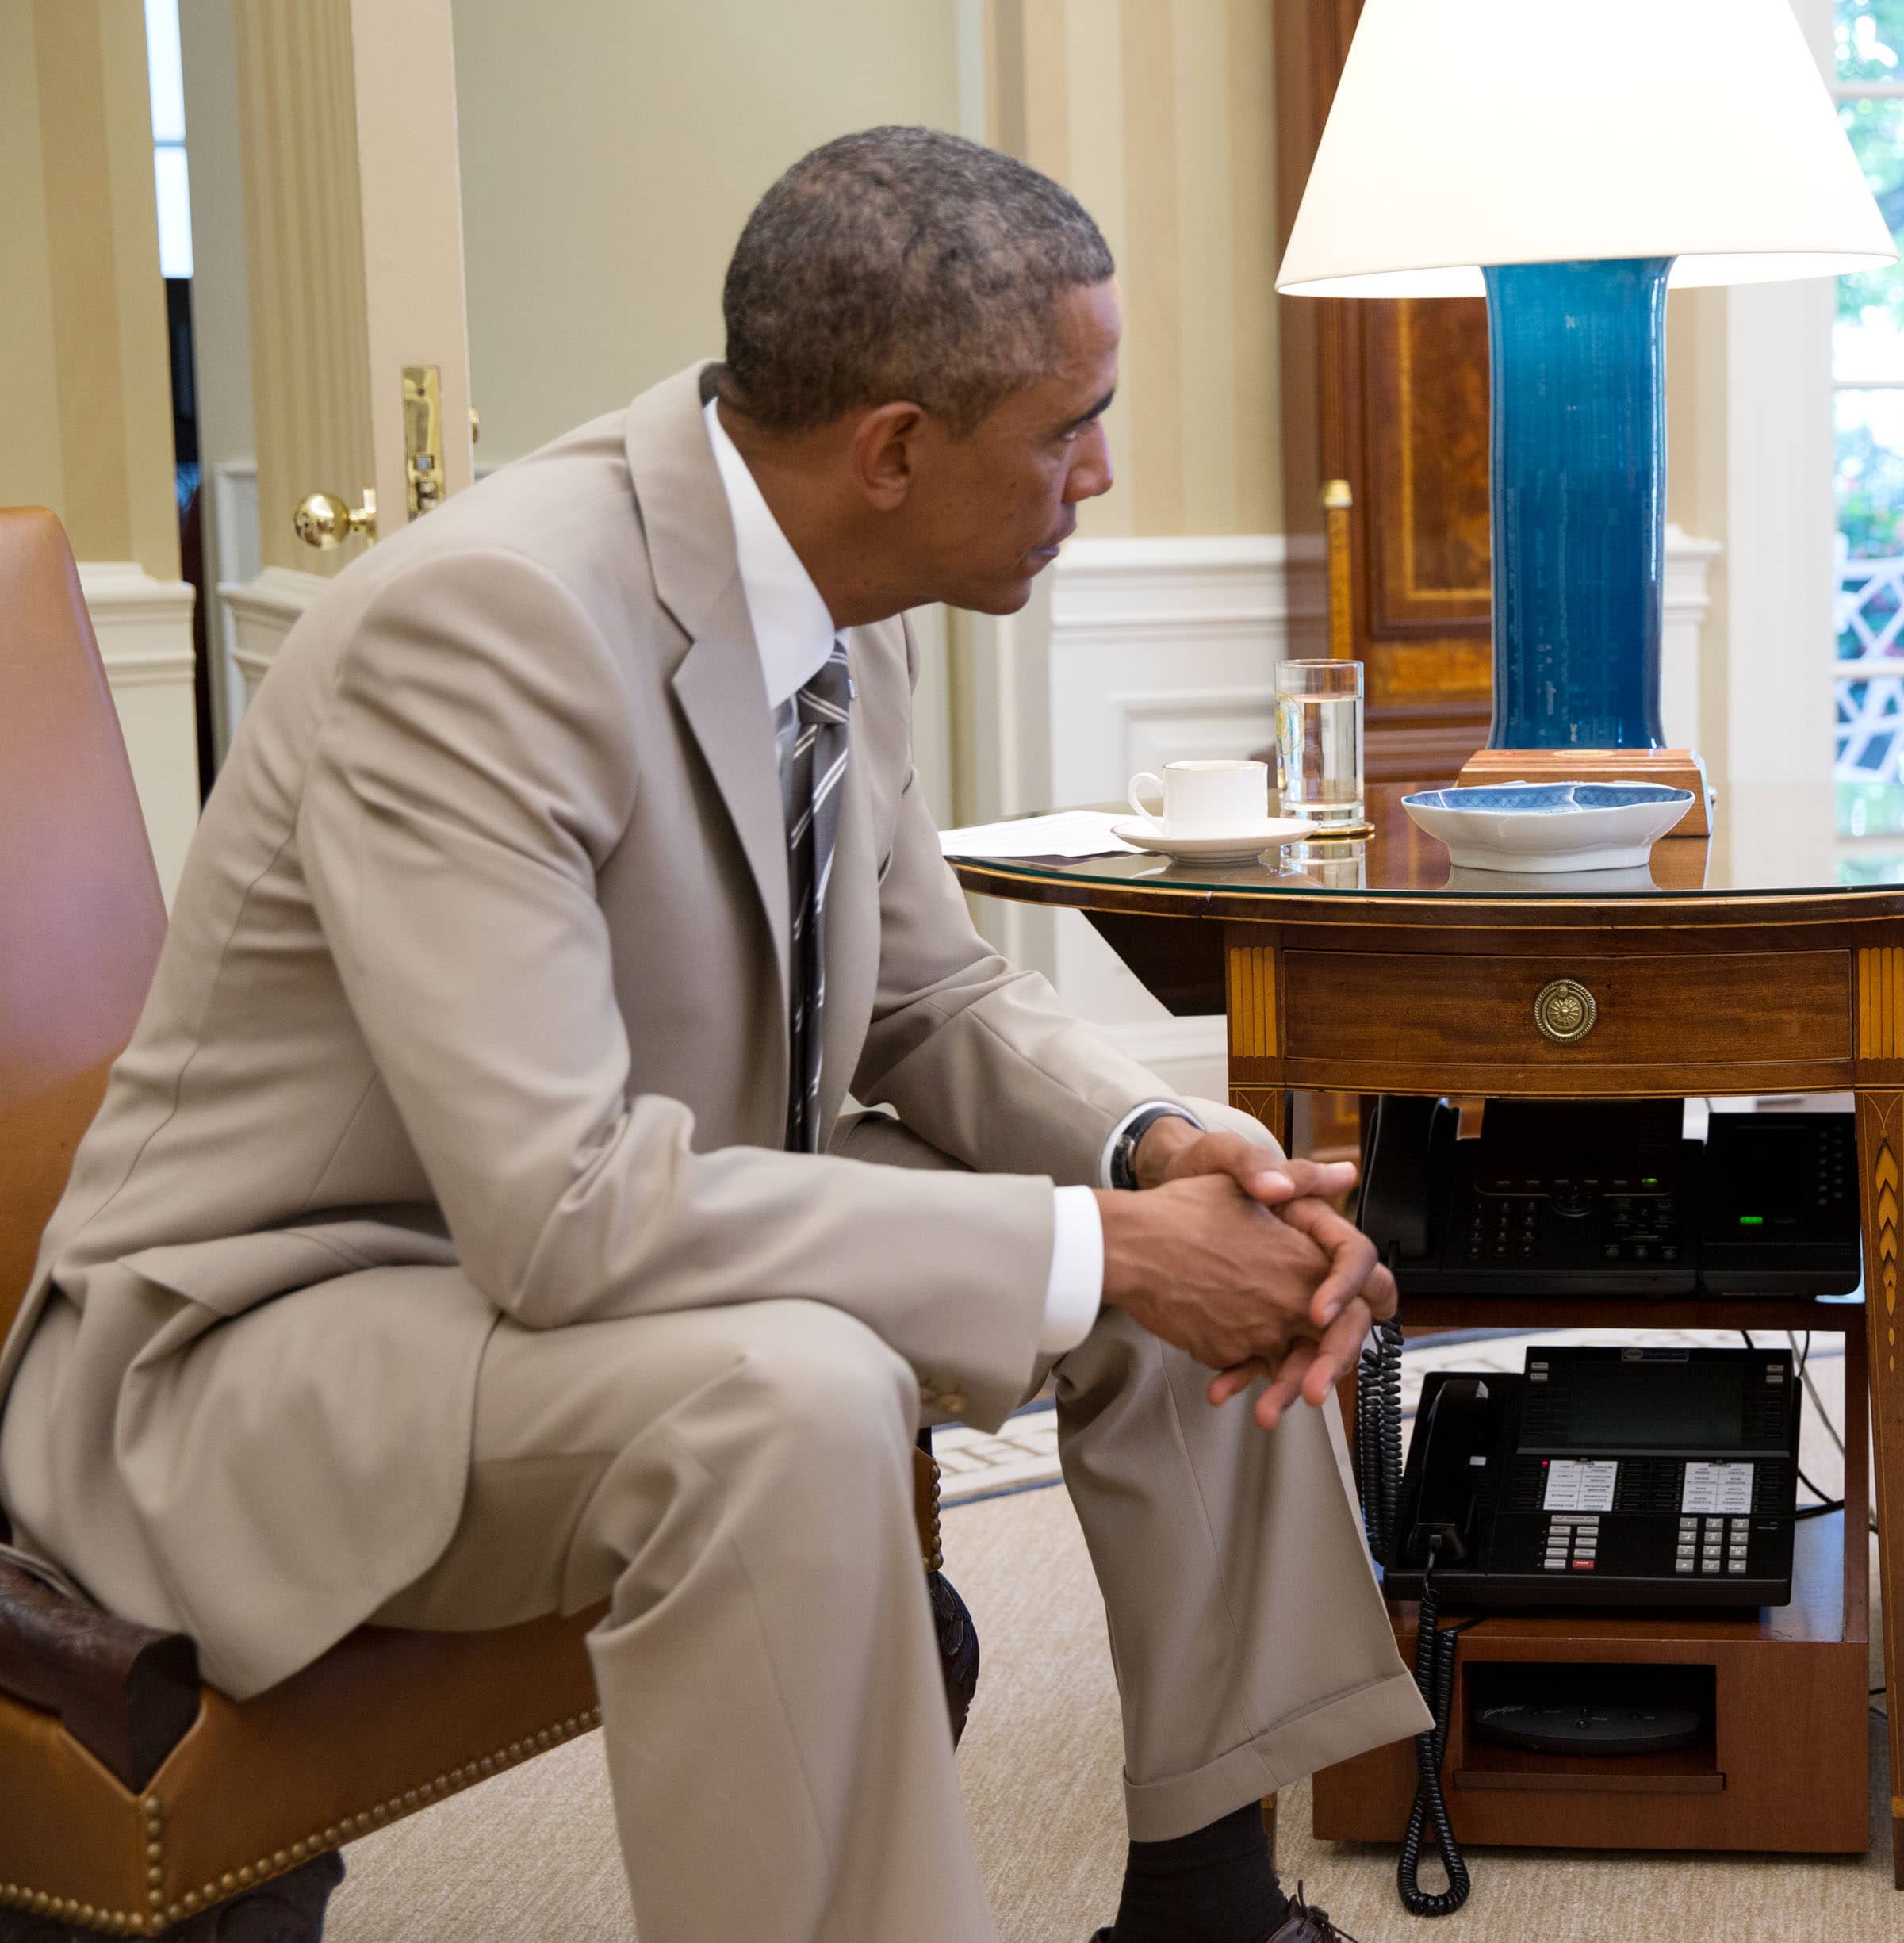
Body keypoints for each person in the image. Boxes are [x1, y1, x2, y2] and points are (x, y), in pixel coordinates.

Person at [0, 127, 1426, 1943]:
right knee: (801, 1395)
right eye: (1069, 424)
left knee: (1195, 1257)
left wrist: (1156, 1162)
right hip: (276, 1342)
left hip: (581, 1263)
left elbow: (927, 997)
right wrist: (1099, 1246)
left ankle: (1210, 1908)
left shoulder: (842, 592)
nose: (1103, 466)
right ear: (894, 450)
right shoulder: (484, 628)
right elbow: (565, 1208)